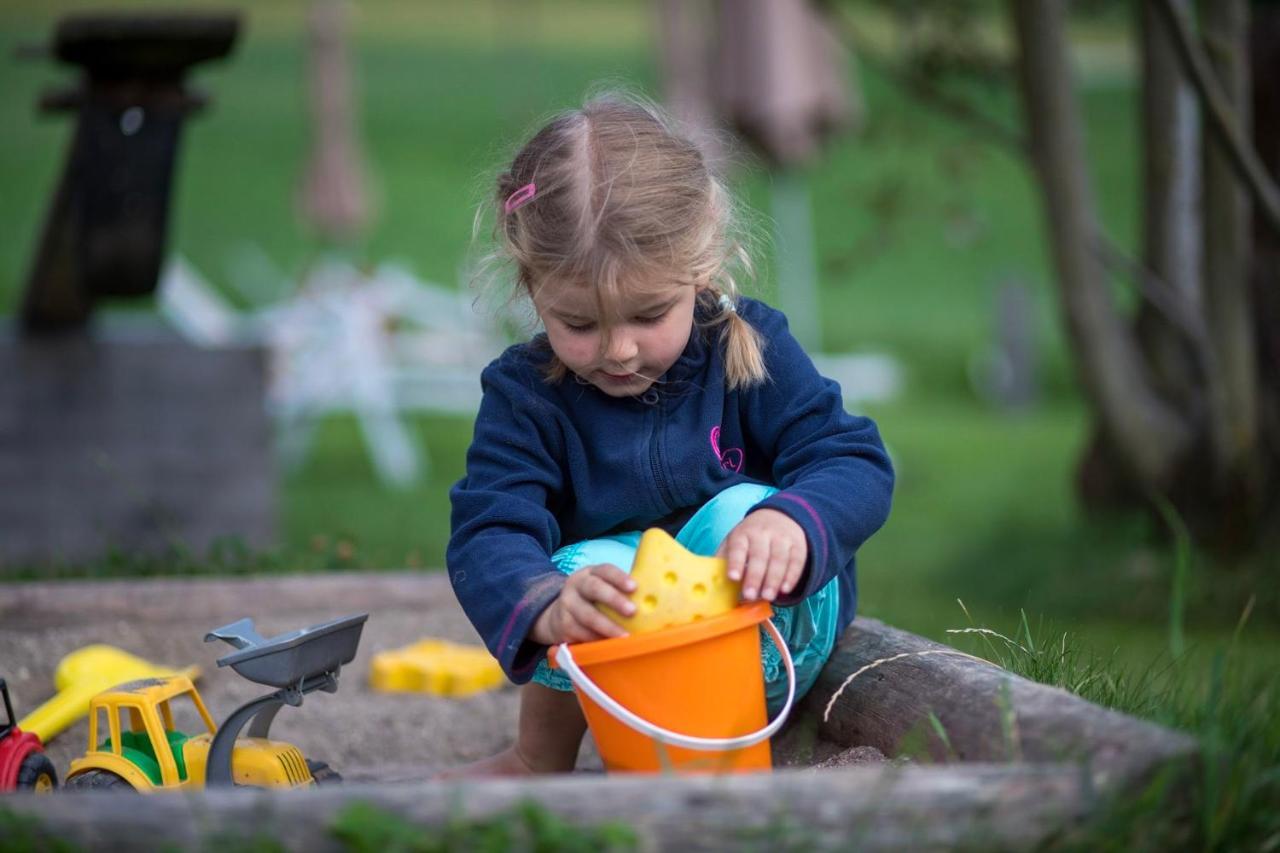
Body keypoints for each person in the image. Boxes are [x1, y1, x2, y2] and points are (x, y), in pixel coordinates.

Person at [445, 92, 894, 776]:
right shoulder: (526, 395)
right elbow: (490, 527)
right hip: (626, 663)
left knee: (738, 512)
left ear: (700, 263)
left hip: (770, 633)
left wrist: (795, 524)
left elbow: (853, 459)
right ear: (532, 288)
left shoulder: (749, 347)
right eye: (581, 325)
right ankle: (539, 755)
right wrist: (544, 605)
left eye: (648, 313)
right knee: (574, 572)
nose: (618, 350)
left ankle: (740, 741)